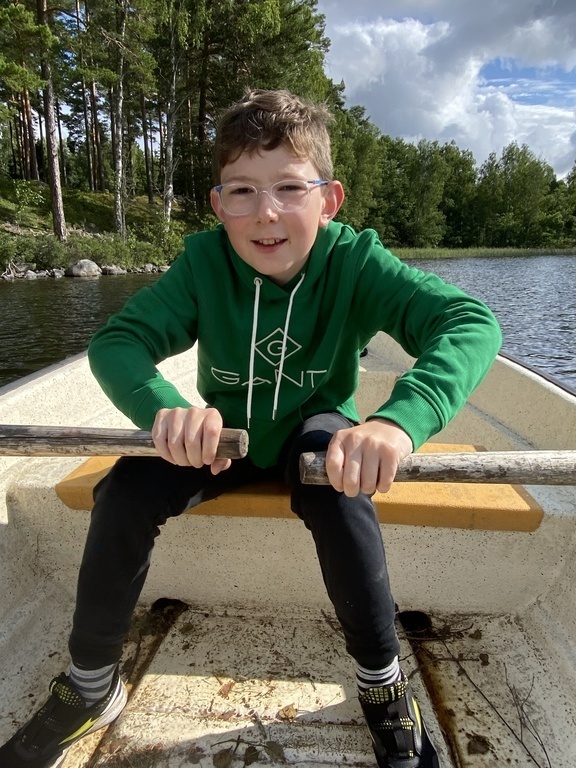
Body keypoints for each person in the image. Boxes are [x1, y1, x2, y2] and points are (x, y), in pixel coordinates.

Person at [0, 89, 502, 768]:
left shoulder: (357, 264)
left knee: (338, 483)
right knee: (123, 491)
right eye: (241, 190)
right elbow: (119, 342)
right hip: (219, 442)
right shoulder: (203, 266)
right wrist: (161, 412)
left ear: (329, 200)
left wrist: (398, 422)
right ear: (218, 205)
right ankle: (93, 685)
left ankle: (382, 684)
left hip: (314, 434)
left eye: (290, 188)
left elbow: (469, 324)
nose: (266, 212)